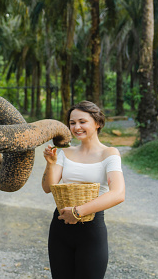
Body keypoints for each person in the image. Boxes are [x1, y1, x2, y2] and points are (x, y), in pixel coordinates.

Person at [41, 100, 125, 279]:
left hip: (91, 229)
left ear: (98, 123)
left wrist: (78, 212)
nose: (76, 127)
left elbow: (118, 193)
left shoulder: (109, 153)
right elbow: (48, 188)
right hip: (60, 225)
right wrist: (50, 164)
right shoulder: (65, 152)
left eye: (82, 121)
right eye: (72, 123)